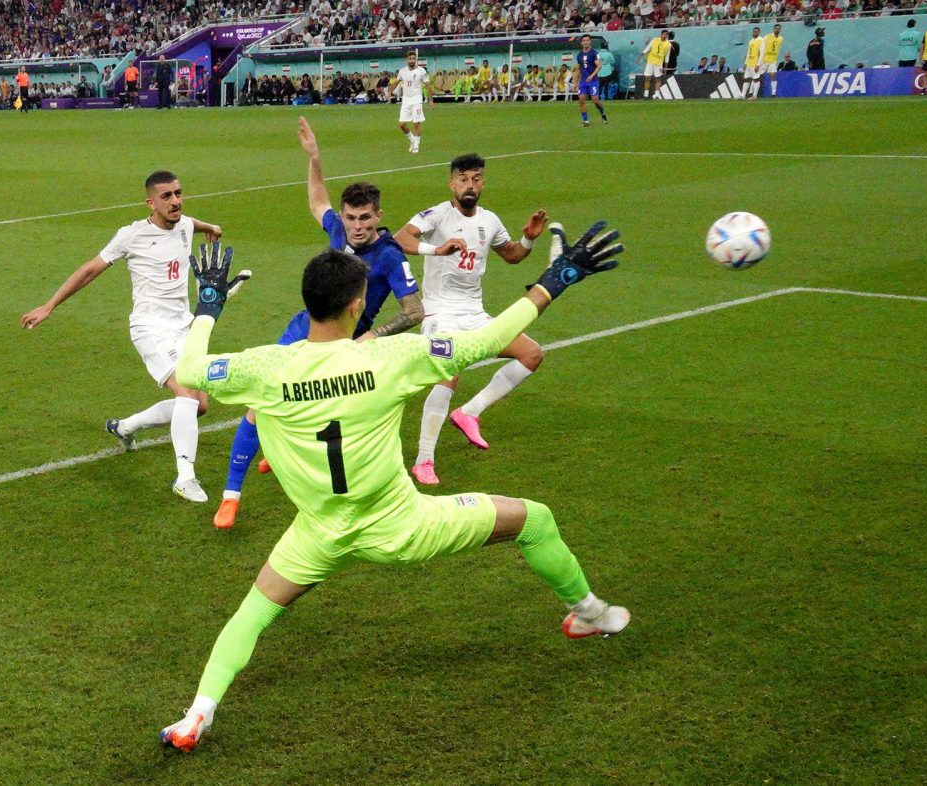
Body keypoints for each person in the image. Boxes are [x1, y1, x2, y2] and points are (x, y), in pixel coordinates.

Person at [160, 222, 629, 754]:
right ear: (358, 305)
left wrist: (209, 305)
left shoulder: (265, 367)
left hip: (318, 534)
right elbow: (490, 340)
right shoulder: (393, 357)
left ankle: (196, 715)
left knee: (253, 613)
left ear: (308, 301)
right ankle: (587, 613)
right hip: (403, 527)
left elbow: (191, 368)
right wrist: (554, 280)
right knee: (536, 520)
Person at [214, 118, 424, 530]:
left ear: (379, 216)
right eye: (351, 217)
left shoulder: (390, 255)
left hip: (346, 345)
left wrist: (372, 335)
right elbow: (316, 202)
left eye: (365, 217)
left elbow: (415, 311)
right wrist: (315, 158)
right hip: (303, 328)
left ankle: (283, 453)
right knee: (259, 404)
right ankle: (230, 496)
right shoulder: (337, 230)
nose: (358, 225)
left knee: (328, 410)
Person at [20, 172, 225, 502]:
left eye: (179, 194)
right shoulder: (131, 236)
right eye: (167, 197)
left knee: (199, 406)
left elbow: (193, 223)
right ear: (150, 202)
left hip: (183, 327)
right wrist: (50, 305)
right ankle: (185, 478)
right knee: (187, 396)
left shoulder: (185, 224)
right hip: (150, 329)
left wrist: (211, 228)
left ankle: (126, 426)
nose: (175, 201)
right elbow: (90, 270)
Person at [394, 154, 548, 485]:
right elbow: (400, 238)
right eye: (463, 179)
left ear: (483, 183)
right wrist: (436, 250)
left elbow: (512, 255)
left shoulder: (490, 220)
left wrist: (529, 238)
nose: (470, 185)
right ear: (452, 183)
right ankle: (424, 460)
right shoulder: (437, 214)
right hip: (440, 313)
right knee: (448, 372)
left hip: (475, 314)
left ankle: (469, 412)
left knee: (532, 353)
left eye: (476, 179)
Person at [396, 51, 432, 154]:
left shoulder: (421, 71)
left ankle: (416, 145)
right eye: (410, 59)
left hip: (417, 100)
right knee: (402, 125)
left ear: (416, 59)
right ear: (407, 60)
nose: (411, 60)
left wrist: (430, 100)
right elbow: (397, 81)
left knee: (416, 123)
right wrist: (390, 92)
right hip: (406, 100)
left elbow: (428, 85)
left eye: (413, 58)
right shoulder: (402, 71)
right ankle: (412, 140)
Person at [574, 34, 608, 125]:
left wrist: (591, 76)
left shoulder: (594, 53)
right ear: (581, 43)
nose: (585, 42)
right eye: (584, 40)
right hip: (583, 81)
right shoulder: (579, 55)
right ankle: (586, 121)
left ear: (590, 42)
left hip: (593, 81)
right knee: (581, 99)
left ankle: (602, 112)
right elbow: (578, 70)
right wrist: (575, 83)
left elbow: (599, 66)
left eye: (587, 40)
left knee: (595, 100)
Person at [637, 30, 672, 100]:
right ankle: (645, 95)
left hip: (659, 64)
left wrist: (665, 67)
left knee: (658, 79)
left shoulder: (668, 45)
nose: (665, 36)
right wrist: (641, 55)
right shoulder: (655, 40)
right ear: (661, 34)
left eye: (666, 35)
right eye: (664, 34)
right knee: (647, 78)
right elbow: (648, 48)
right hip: (650, 61)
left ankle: (657, 95)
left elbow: (667, 56)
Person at [742, 26, 766, 99]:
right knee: (746, 79)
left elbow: (762, 53)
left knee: (756, 79)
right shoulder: (751, 40)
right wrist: (745, 62)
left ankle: (754, 95)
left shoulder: (761, 40)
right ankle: (743, 95)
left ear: (759, 32)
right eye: (753, 31)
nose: (754, 33)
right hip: (749, 63)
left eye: (756, 32)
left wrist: (758, 64)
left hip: (755, 64)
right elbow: (749, 52)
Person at [763, 24, 784, 96]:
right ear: (773, 29)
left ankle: (773, 93)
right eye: (776, 28)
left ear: (780, 30)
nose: (777, 30)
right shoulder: (767, 36)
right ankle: (752, 92)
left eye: (778, 28)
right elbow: (761, 46)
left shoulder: (781, 38)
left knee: (773, 76)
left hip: (772, 61)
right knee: (757, 76)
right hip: (763, 60)